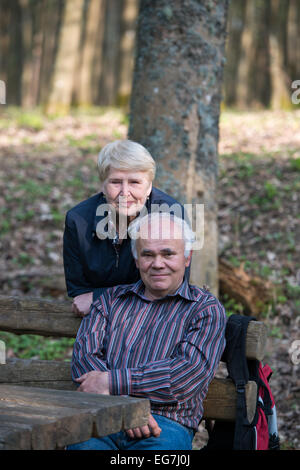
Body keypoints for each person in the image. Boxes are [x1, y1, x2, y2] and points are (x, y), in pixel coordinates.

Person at [67, 212, 226, 451]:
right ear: (136, 259)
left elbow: (184, 377)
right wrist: (124, 409)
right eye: (148, 254)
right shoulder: (111, 300)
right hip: (102, 418)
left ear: (186, 257)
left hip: (165, 426)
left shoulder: (204, 309)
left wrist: (113, 381)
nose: (158, 263)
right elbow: (84, 359)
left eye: (168, 253)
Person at [63, 139, 188, 317]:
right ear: (103, 186)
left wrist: (99, 296)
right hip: (98, 321)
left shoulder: (171, 215)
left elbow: (170, 287)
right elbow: (80, 294)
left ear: (149, 186)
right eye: (115, 182)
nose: (124, 192)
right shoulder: (78, 220)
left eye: (135, 182)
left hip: (158, 319)